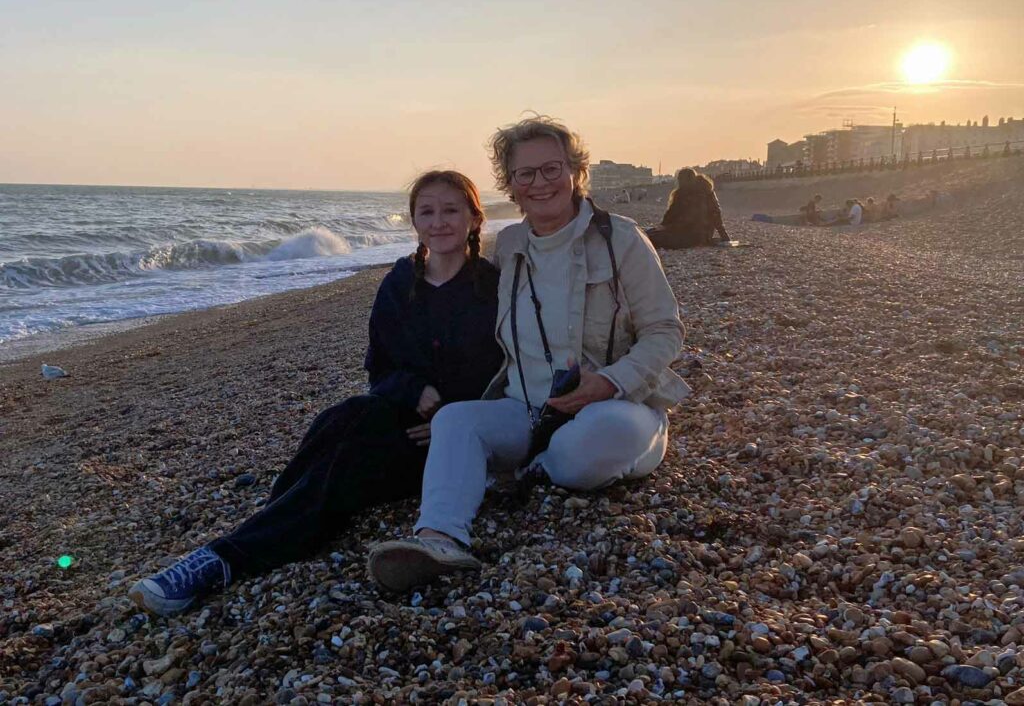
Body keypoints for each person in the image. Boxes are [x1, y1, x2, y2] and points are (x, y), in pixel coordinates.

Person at [128, 171, 503, 616]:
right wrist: (412, 388)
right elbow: (379, 368)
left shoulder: (492, 287)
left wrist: (449, 418)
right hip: (400, 418)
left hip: (449, 446)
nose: (439, 221)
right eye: (427, 212)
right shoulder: (399, 282)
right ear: (414, 222)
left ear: (474, 220)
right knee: (342, 418)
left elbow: (504, 370)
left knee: (341, 467)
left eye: (451, 210)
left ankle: (222, 560)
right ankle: (267, 523)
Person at [367, 116, 689, 592]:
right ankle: (439, 538)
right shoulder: (511, 246)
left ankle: (535, 468)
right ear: (511, 185)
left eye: (551, 169)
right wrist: (415, 389)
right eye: (525, 174)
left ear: (576, 171)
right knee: (455, 421)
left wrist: (610, 382)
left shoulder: (621, 239)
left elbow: (665, 331)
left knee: (595, 441)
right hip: (528, 410)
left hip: (616, 406)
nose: (540, 184)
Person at [645, 168, 730, 248]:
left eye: (679, 179)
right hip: (702, 236)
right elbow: (716, 215)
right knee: (649, 234)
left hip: (685, 235)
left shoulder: (681, 194)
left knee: (649, 237)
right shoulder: (708, 192)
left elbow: (670, 215)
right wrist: (724, 236)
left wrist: (663, 226)